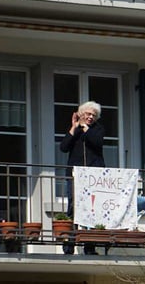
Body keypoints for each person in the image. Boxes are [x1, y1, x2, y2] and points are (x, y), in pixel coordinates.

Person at [59, 101, 106, 255]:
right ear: (81, 114)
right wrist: (74, 127)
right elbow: (63, 147)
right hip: (75, 176)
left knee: (92, 210)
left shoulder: (98, 129)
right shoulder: (76, 130)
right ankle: (69, 246)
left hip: (93, 176)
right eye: (88, 114)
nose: (90, 117)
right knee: (73, 208)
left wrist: (85, 128)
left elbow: (97, 142)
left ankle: (89, 247)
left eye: (93, 115)